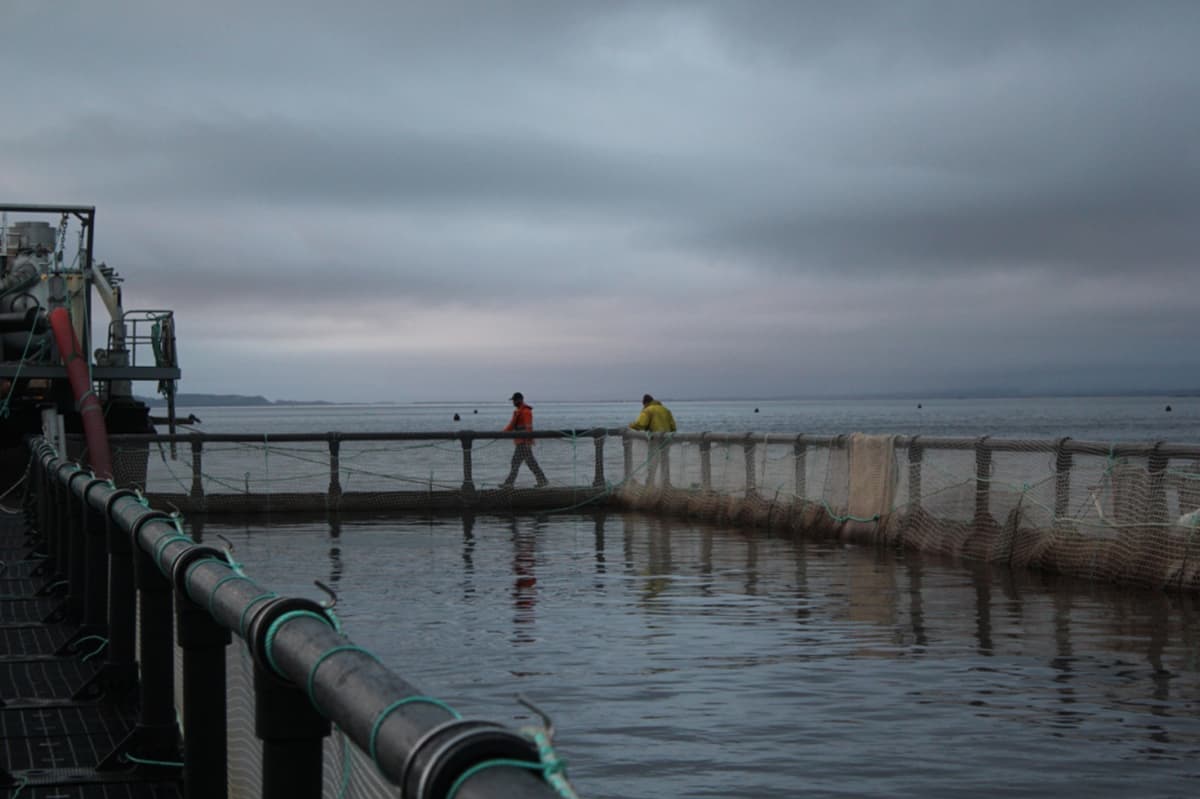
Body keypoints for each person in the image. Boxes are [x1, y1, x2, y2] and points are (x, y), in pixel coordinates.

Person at [501, 392, 548, 488]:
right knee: (530, 463)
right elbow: (511, 426)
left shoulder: (526, 412)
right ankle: (543, 480)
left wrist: (528, 442)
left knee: (516, 462)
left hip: (524, 443)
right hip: (520, 442)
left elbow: (528, 428)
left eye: (514, 400)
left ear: (519, 400)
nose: (513, 402)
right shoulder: (518, 412)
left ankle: (509, 483)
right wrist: (500, 434)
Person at [629, 394, 676, 486]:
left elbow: (641, 424)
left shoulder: (647, 410)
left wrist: (631, 425)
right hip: (666, 439)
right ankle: (666, 482)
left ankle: (650, 482)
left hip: (655, 439)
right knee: (665, 460)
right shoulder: (666, 410)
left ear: (645, 403)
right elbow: (673, 427)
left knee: (652, 461)